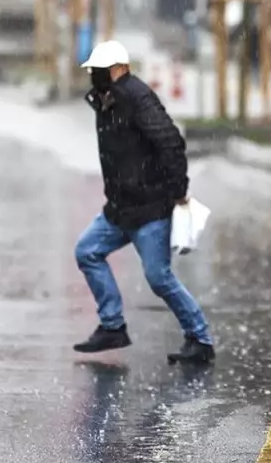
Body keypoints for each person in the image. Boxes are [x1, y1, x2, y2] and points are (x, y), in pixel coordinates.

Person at [71, 40, 216, 362]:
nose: (95, 75)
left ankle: (200, 339)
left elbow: (170, 141)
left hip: (150, 209)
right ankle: (112, 326)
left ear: (120, 68)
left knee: (159, 277)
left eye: (100, 70)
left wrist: (178, 190)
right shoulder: (106, 100)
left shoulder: (137, 98)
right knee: (87, 251)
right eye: (93, 70)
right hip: (119, 209)